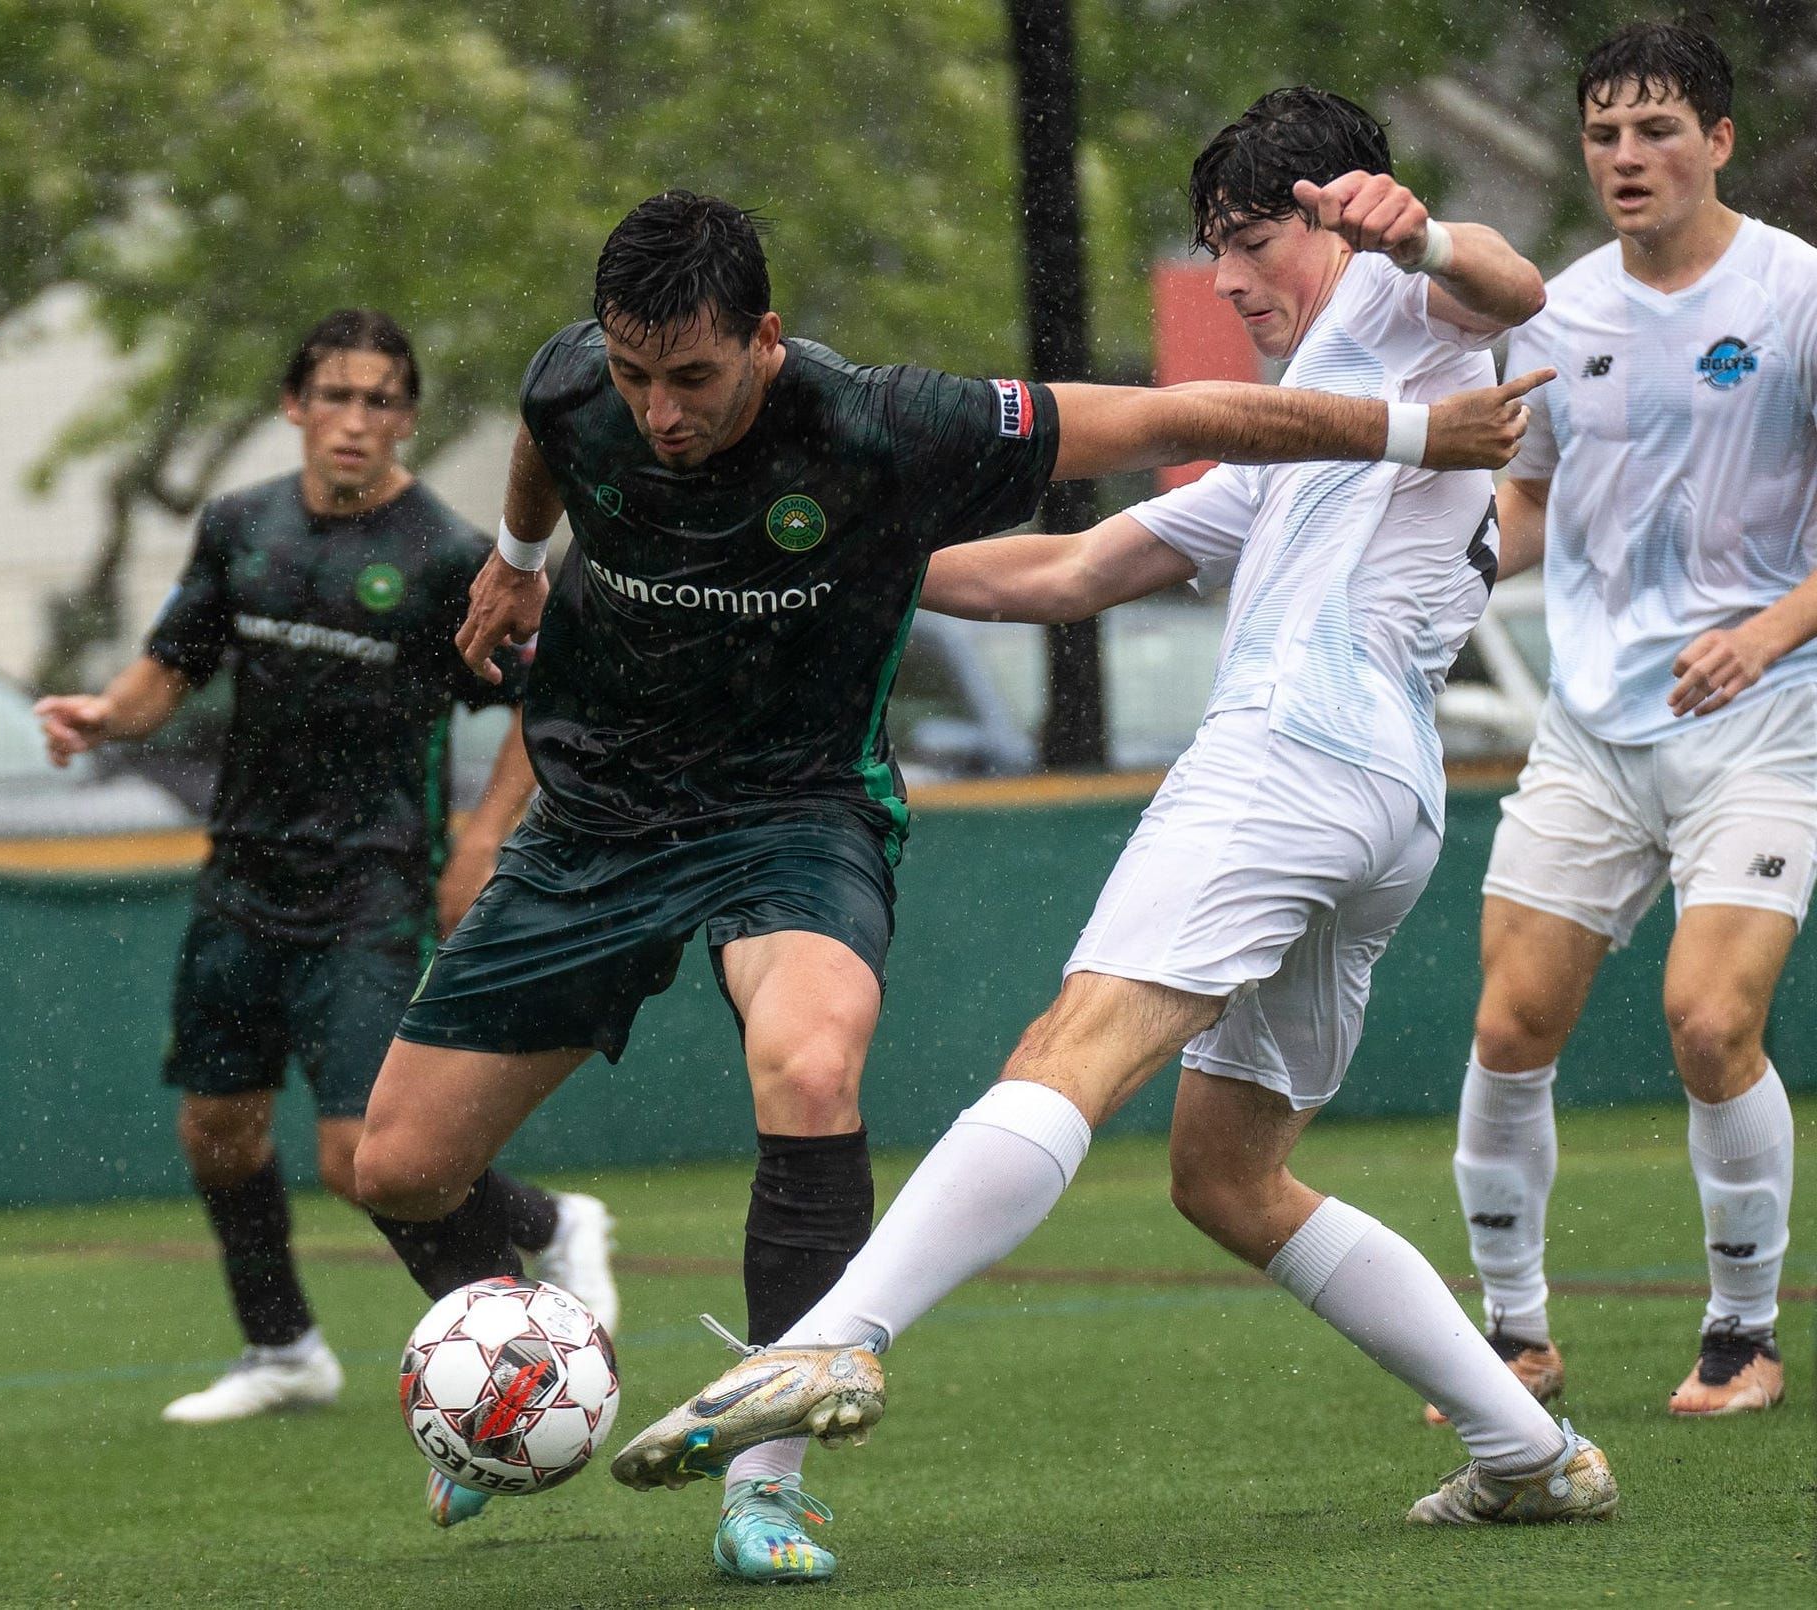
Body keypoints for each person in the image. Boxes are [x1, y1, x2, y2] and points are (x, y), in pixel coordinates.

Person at [347, 188, 1541, 1579]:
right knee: (401, 1168)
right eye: (634, 376)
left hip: (792, 813)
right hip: (597, 816)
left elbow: (1166, 421)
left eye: (692, 378)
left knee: (811, 1063)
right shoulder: (578, 382)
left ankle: (767, 1483)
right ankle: (523, 1354)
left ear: (767, 342)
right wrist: (517, 560)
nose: (659, 412)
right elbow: (550, 446)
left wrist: (1417, 431)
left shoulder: (891, 422)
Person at [612, 93, 1615, 1559]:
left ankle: (840, 1334)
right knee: (1226, 1171)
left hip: (1288, 759)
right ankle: (1527, 1448)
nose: (1226, 277)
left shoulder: (1401, 308)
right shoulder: (1301, 447)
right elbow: (1065, 571)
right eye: (1215, 246)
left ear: (1346, 207)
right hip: (1381, 802)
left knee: (1065, 1054)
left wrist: (1431, 231)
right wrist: (821, 546)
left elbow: (1508, 295)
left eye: (1250, 236)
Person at [34, 310, 616, 1434]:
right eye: (335, 396)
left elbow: (540, 701)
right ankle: (284, 1346)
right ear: (294, 406)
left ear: (406, 417)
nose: (357, 420)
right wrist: (104, 716)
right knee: (218, 1127)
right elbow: (172, 667)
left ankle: (522, 1314)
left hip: (371, 883)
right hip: (242, 877)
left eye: (381, 400)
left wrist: (486, 833)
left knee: (360, 1154)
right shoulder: (240, 527)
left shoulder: (448, 555)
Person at [1432, 20, 1815, 1426]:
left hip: (1767, 720)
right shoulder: (1557, 311)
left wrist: (1769, 629)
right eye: (1603, 134)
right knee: (1511, 1021)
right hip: (1593, 730)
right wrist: (1435, 575)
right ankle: (1516, 1337)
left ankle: (1742, 1332)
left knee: (1710, 1021)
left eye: (1658, 131)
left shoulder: (1797, 295)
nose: (1627, 157)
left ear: (1720, 140)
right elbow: (1525, 499)